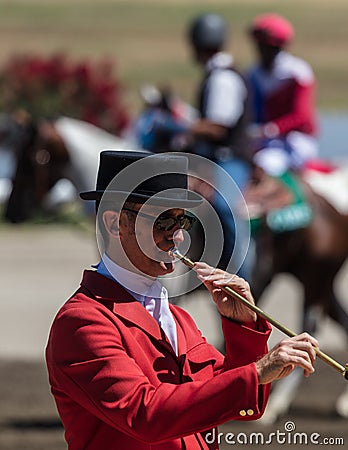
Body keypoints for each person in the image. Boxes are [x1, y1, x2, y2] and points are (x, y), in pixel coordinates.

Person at [46, 150, 318, 450]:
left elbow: (242, 406)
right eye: (163, 221)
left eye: (182, 221)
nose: (177, 237)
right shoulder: (83, 322)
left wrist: (244, 328)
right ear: (114, 224)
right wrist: (258, 371)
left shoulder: (178, 319)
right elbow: (146, 416)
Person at [186, 13, 253, 274]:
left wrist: (184, 126)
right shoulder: (216, 73)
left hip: (228, 159)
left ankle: (241, 273)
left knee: (224, 206)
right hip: (211, 158)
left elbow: (218, 126)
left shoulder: (223, 78)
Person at [246, 13, 318, 177]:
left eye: (267, 46)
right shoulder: (252, 74)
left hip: (295, 140)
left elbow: (302, 116)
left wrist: (270, 130)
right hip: (263, 140)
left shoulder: (297, 73)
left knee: (265, 165)